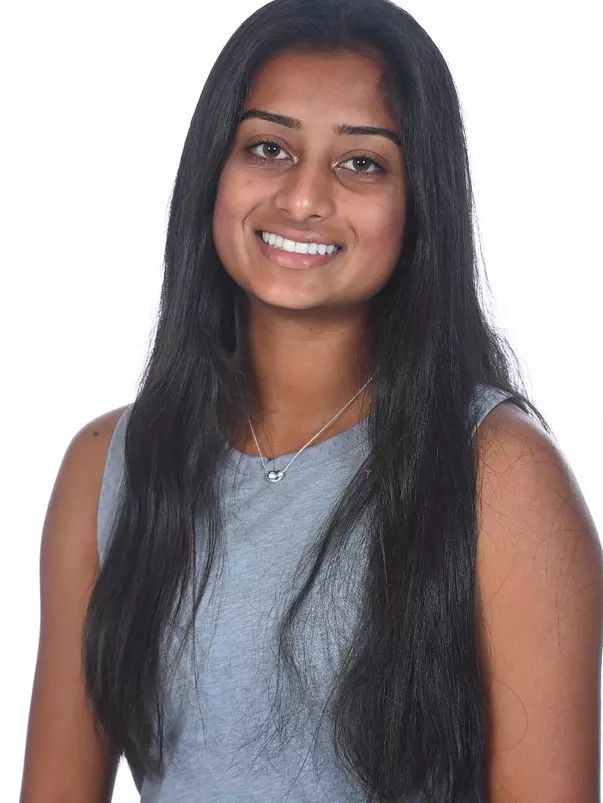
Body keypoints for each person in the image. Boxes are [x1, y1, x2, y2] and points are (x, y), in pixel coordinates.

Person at [20, 0, 602, 801]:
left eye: (361, 163)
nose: (303, 198)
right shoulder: (108, 466)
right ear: (212, 173)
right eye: (267, 147)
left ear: (418, 202)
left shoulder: (498, 475)